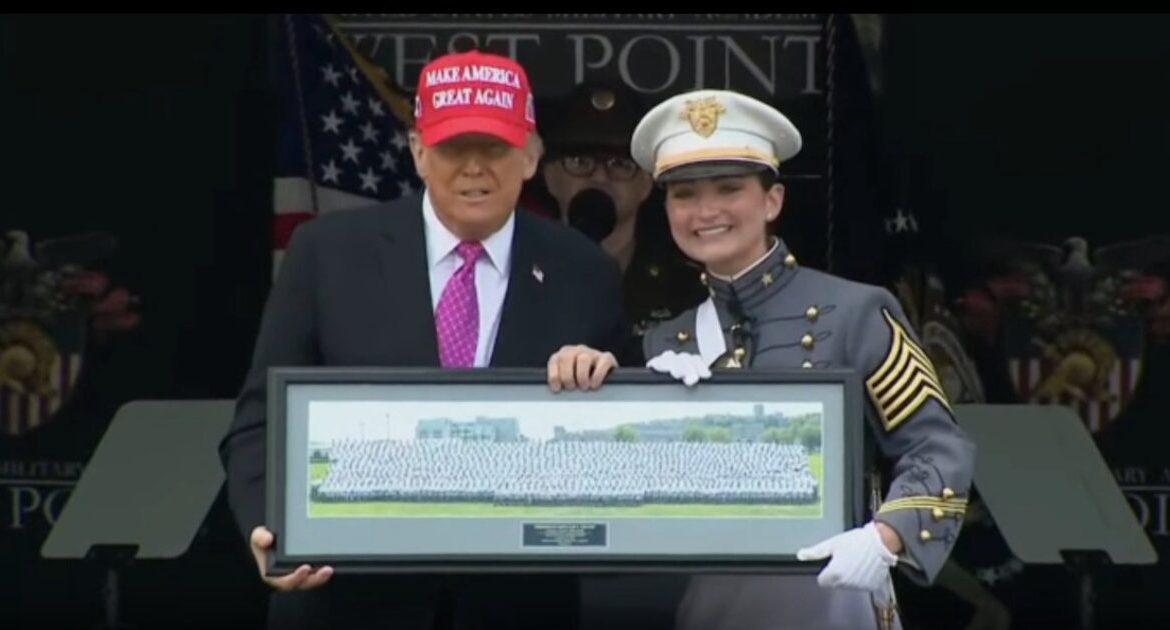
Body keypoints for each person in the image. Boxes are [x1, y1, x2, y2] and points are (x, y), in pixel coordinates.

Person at [218, 49, 624, 630]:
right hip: (347, 603)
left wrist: (600, 394)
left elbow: (619, 449)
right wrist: (271, 527)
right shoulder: (327, 253)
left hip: (515, 606)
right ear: (417, 152)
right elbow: (260, 423)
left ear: (532, 155)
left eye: (495, 148)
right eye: (454, 148)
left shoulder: (585, 271)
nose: (474, 168)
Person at [549, 89, 977, 630]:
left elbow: (938, 447)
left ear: (772, 201)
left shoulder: (858, 311)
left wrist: (885, 537)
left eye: (729, 189)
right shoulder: (663, 343)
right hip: (710, 608)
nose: (706, 211)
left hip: (831, 602)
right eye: (685, 194)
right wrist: (590, 382)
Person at [534, 80, 708, 362]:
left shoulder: (686, 287)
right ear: (550, 176)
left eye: (620, 165)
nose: (600, 177)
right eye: (580, 162)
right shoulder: (520, 273)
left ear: (647, 183)